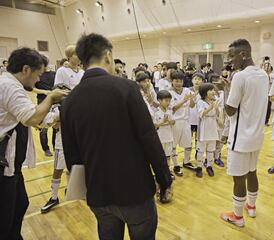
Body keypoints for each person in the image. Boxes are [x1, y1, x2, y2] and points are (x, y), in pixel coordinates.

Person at [60, 33, 172, 240]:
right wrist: (164, 179)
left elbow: (72, 157)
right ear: (108, 56)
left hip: (98, 194)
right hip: (135, 189)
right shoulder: (126, 88)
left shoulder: (69, 101)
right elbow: (149, 138)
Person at [0, 47, 67, 240]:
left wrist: (56, 116)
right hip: (4, 166)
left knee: (20, 203)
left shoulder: (10, 84)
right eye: (37, 75)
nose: (38, 80)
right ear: (26, 69)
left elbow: (32, 114)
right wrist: (52, 97)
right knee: (5, 214)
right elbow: (30, 117)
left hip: (12, 166)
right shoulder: (9, 86)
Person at [220, 39, 268, 227]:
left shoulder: (240, 76)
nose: (229, 60)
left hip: (240, 138)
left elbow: (230, 110)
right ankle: (252, 206)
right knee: (252, 172)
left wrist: (226, 89)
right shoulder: (264, 75)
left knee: (238, 178)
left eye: (232, 56)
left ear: (244, 54)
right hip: (257, 135)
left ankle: (237, 217)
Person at [40, 46, 84, 213]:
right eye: (76, 54)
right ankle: (53, 196)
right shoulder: (62, 72)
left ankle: (74, 189)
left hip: (79, 122)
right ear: (69, 56)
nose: (79, 57)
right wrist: (58, 115)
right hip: (64, 119)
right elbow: (58, 94)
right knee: (58, 166)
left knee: (76, 164)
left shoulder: (82, 73)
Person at [169, 70, 196, 173]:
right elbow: (173, 109)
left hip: (185, 121)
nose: (179, 83)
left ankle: (186, 161)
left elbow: (192, 106)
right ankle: (176, 165)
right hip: (175, 122)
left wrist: (192, 99)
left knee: (188, 143)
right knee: (173, 145)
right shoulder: (169, 93)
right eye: (176, 81)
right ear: (172, 81)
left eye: (180, 81)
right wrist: (184, 100)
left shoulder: (187, 91)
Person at [196, 83, 222, 177]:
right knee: (201, 150)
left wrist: (216, 108)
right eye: (211, 90)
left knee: (211, 150)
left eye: (213, 90)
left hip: (212, 127)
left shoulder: (214, 101)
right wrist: (210, 108)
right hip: (203, 128)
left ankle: (209, 167)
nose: (213, 92)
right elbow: (201, 114)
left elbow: (217, 114)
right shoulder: (200, 102)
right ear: (204, 92)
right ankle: (199, 167)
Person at [34, 55, 56, 157]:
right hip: (42, 101)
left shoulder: (54, 74)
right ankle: (46, 149)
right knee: (43, 128)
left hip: (55, 102)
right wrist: (44, 91)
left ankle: (55, 146)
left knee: (56, 126)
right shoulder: (37, 75)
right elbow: (30, 88)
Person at [154, 90, 177, 179]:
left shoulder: (169, 111)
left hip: (169, 137)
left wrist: (169, 121)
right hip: (160, 138)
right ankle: (160, 173)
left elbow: (173, 122)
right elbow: (155, 125)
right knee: (160, 156)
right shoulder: (155, 111)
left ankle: (167, 171)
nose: (168, 103)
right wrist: (162, 122)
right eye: (166, 100)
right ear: (159, 101)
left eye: (169, 101)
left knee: (168, 156)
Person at [208, 73, 226, 167]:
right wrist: (218, 119)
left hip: (222, 116)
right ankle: (208, 157)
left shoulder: (223, 93)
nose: (219, 82)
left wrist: (224, 119)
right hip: (212, 117)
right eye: (216, 81)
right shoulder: (208, 94)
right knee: (212, 139)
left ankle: (217, 156)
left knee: (220, 139)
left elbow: (224, 107)